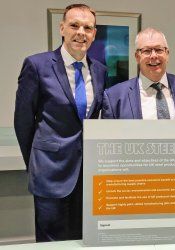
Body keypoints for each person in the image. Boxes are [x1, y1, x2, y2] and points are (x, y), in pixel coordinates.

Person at [14, 4, 107, 242]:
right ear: (62, 28)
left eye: (88, 27)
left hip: (86, 174)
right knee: (51, 242)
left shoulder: (100, 71)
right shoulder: (37, 65)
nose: (81, 32)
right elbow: (23, 122)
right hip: (49, 172)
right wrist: (36, 161)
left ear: (94, 33)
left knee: (81, 239)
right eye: (74, 25)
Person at [102, 27, 175, 119]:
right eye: (147, 51)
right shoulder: (114, 96)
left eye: (159, 50)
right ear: (137, 57)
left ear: (167, 54)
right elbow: (106, 138)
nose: (153, 56)